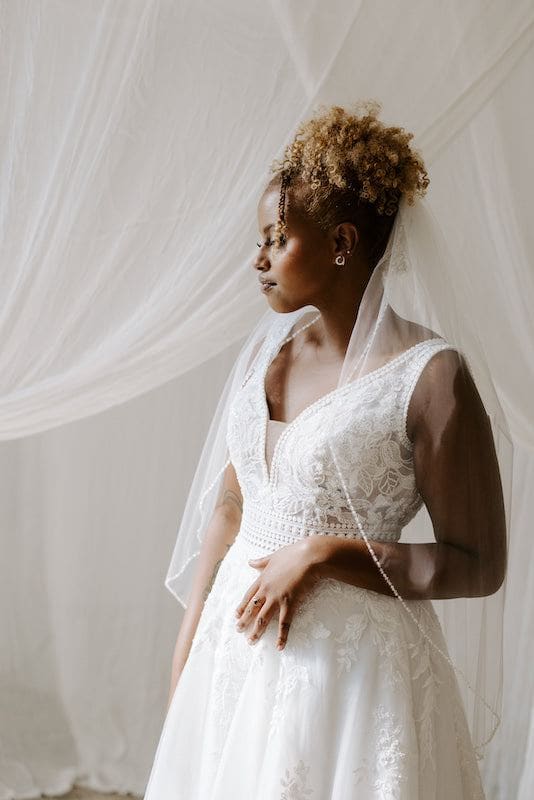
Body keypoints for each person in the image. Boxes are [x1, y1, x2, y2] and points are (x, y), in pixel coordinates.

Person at [143, 101, 508, 799]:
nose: (258, 259)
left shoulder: (430, 378)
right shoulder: (267, 353)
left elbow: (479, 565)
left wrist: (325, 553)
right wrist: (190, 640)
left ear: (341, 241)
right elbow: (231, 503)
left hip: (351, 681)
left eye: (277, 238)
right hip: (236, 652)